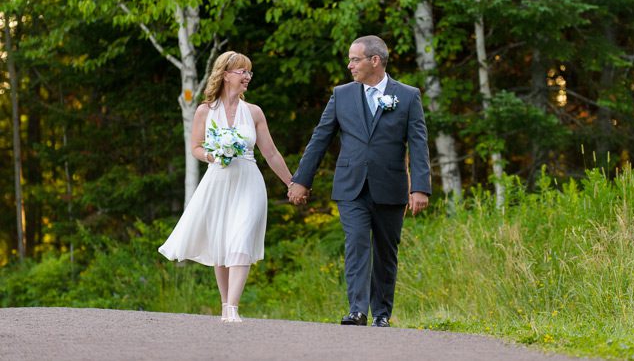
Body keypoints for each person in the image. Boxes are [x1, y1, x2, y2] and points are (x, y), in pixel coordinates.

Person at [289, 35, 431, 328]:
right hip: (351, 185)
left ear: (374, 61)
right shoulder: (341, 95)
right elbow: (320, 138)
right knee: (356, 243)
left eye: (355, 59)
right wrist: (301, 180)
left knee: (385, 251)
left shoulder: (407, 96)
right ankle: (357, 310)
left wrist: (419, 188)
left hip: (391, 187)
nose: (350, 65)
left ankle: (381, 313)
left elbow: (418, 144)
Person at [159, 51, 293, 323]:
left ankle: (233, 307)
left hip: (248, 181)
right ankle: (224, 304)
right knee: (221, 243)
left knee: (241, 238)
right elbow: (195, 147)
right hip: (218, 180)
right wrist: (212, 155)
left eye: (249, 72)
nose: (248, 77)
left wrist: (292, 183)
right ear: (225, 75)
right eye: (242, 72)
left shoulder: (254, 112)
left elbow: (271, 154)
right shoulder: (204, 111)